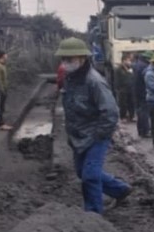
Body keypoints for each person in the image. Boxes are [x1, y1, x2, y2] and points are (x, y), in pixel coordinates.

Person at [55, 37, 131, 213]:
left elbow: (111, 112)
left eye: (70, 59)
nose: (66, 63)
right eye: (64, 59)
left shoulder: (94, 81)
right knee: (82, 172)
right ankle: (120, 189)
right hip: (77, 135)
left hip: (96, 135)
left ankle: (93, 214)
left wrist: (100, 135)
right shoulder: (70, 79)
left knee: (90, 176)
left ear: (82, 59)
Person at [132, 50, 152, 139]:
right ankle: (146, 130)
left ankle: (141, 130)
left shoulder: (137, 64)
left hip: (136, 90)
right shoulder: (145, 67)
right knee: (144, 111)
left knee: (140, 111)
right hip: (143, 90)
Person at [114, 55, 136, 123]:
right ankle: (123, 117)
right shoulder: (118, 69)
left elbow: (133, 77)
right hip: (123, 89)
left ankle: (131, 116)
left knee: (131, 103)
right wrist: (118, 88)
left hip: (131, 88)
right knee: (123, 103)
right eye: (128, 60)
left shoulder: (131, 68)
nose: (130, 62)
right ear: (124, 61)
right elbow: (116, 80)